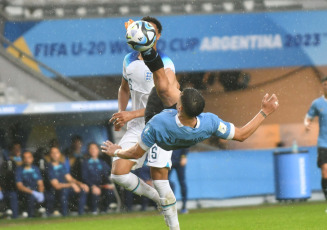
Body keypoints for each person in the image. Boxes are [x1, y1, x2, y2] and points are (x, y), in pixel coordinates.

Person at [102, 31, 279, 229]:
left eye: (180, 93)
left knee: (162, 85)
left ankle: (147, 48)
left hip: (157, 132)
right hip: (175, 136)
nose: (178, 90)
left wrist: (115, 150)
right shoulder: (209, 122)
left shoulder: (158, 123)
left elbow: (134, 152)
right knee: (158, 185)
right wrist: (264, 112)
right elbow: (242, 134)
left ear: (178, 107)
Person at [108, 16, 179, 227]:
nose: (144, 32)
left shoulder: (165, 64)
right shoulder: (128, 60)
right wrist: (121, 113)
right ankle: (159, 200)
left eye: (149, 29)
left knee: (160, 180)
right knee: (118, 173)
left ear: (156, 36)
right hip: (137, 127)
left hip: (161, 126)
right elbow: (123, 88)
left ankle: (174, 226)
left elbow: (168, 101)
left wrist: (131, 114)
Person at [304, 76, 327, 210]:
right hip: (323, 143)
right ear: (322, 86)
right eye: (325, 84)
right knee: (325, 171)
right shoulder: (317, 103)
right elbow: (308, 117)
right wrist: (307, 125)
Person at [46, 147, 88, 216]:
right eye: (52, 153)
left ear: (59, 154)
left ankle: (81, 214)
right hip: (55, 192)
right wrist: (71, 185)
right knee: (64, 191)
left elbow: (70, 178)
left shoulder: (61, 165)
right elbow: (56, 186)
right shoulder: (49, 167)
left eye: (56, 152)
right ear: (50, 155)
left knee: (83, 189)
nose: (54, 155)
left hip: (66, 189)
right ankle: (64, 215)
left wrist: (81, 184)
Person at [82, 142, 115, 214]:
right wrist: (92, 186)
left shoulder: (102, 163)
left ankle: (104, 210)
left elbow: (108, 174)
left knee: (109, 191)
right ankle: (94, 210)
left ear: (98, 150)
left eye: (95, 148)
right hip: (91, 186)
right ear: (88, 150)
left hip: (102, 185)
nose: (93, 150)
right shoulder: (85, 163)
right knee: (95, 192)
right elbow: (84, 177)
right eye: (91, 148)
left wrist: (109, 184)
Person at [15, 151, 45, 218]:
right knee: (30, 197)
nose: (27, 160)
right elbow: (19, 186)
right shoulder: (19, 170)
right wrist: (33, 192)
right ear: (22, 159)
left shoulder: (35, 168)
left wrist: (41, 193)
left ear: (32, 158)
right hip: (25, 192)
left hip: (36, 191)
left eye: (28, 157)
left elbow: (40, 183)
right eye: (25, 158)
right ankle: (31, 216)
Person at [0, 142, 23, 218]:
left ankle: (15, 216)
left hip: (17, 187)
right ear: (11, 150)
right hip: (6, 188)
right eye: (15, 148)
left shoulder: (22, 158)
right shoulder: (8, 161)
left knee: (13, 195)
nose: (17, 150)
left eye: (18, 148)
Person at [169, 148, 188, 214]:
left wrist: (184, 156)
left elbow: (186, 142)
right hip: (168, 160)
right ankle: (169, 205)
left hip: (179, 160)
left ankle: (184, 206)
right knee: (165, 182)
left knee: (182, 182)